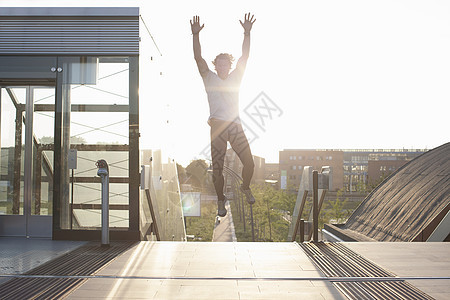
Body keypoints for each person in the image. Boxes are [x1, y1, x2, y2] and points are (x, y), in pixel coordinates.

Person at [190, 13, 256, 217]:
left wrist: (247, 33)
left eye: (226, 63)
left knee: (250, 163)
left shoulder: (236, 76)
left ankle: (246, 187)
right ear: (215, 65)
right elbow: (197, 58)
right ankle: (221, 200)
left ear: (230, 65)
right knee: (217, 170)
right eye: (219, 63)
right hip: (218, 127)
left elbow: (245, 57)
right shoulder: (208, 77)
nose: (223, 66)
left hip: (235, 126)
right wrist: (195, 36)